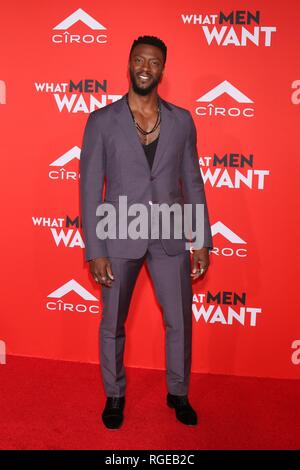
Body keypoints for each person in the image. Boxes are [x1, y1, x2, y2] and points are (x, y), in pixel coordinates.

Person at [79, 35, 213, 429]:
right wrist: (95, 249)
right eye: (139, 59)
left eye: (153, 62)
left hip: (170, 235)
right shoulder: (102, 121)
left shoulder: (182, 120)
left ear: (162, 69)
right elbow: (89, 188)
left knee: (179, 321)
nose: (145, 67)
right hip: (118, 233)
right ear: (129, 63)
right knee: (112, 323)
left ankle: (178, 392)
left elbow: (193, 180)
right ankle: (115, 395)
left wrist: (201, 238)